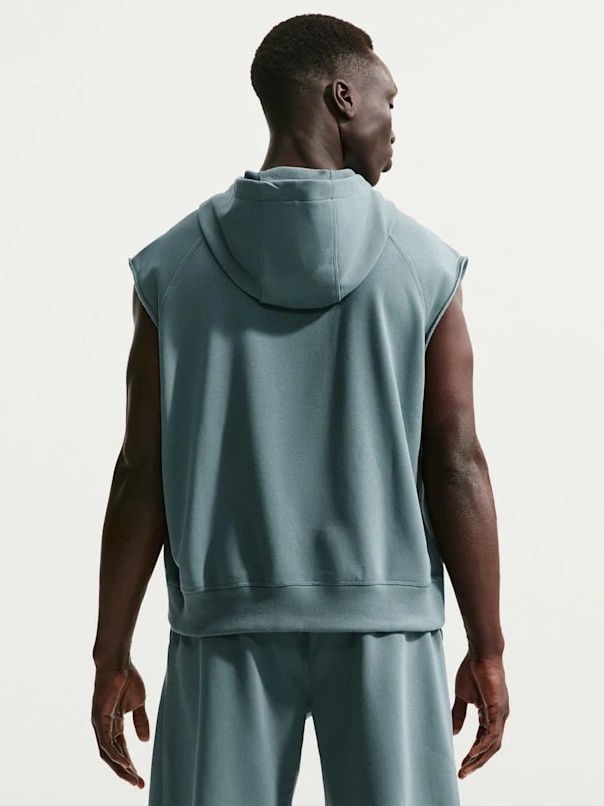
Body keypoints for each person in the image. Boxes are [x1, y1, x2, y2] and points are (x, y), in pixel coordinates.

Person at [91, 12, 509, 806]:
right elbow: (456, 462)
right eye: (389, 101)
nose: (395, 125)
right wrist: (487, 647)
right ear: (343, 97)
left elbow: (141, 470)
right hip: (386, 622)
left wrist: (110, 651)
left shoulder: (173, 270)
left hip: (225, 622)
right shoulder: (423, 267)